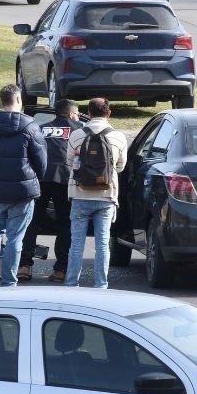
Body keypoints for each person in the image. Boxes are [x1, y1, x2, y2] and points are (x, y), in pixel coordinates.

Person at [0, 84, 46, 288]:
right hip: (22, 191)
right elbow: (41, 162)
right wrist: (34, 178)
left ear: (2, 101)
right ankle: (9, 281)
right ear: (18, 100)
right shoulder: (30, 126)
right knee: (16, 236)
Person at [65, 97, 128, 289]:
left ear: (89, 113)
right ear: (108, 113)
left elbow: (69, 163)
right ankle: (101, 284)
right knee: (102, 243)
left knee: (76, 244)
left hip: (80, 194)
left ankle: (71, 283)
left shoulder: (76, 136)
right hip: (106, 196)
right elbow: (120, 166)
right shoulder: (118, 137)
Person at [19, 99, 82, 283]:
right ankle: (61, 269)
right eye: (77, 113)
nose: (77, 116)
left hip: (40, 178)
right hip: (65, 180)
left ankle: (24, 266)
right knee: (65, 224)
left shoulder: (41, 127)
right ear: (71, 114)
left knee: (32, 221)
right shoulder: (79, 129)